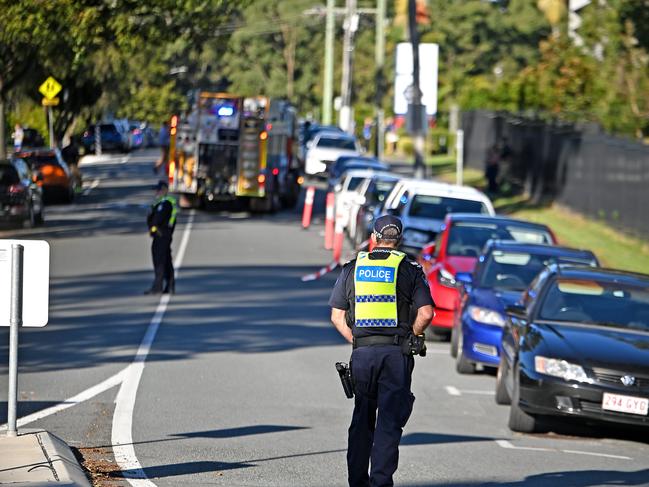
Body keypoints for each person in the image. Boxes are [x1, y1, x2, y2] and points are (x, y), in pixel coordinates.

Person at [329, 215, 435, 487]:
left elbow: (337, 317)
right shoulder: (409, 269)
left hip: (363, 356)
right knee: (388, 423)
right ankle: (380, 482)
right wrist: (414, 335)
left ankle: (357, 482)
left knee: (362, 418)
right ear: (398, 241)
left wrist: (358, 341)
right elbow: (426, 313)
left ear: (373, 238)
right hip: (395, 356)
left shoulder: (353, 268)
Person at [145, 181, 178, 294]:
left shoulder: (164, 204)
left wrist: (152, 227)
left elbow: (156, 220)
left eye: (158, 190)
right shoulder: (164, 203)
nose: (156, 192)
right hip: (165, 235)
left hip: (161, 235)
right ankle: (170, 284)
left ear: (164, 190)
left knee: (159, 261)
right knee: (166, 260)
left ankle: (158, 287)